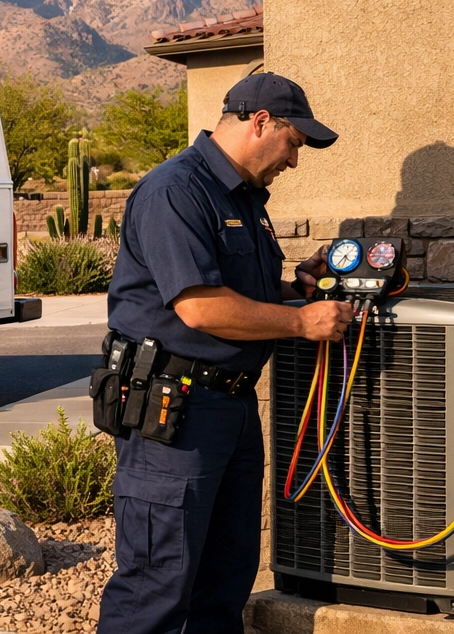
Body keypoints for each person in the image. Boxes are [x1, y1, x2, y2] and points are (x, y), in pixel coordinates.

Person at [97, 73, 352, 634]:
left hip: (231, 411)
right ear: (261, 122)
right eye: (294, 143)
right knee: (156, 587)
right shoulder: (175, 191)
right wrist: (301, 321)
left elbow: (239, 294)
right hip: (176, 415)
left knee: (224, 582)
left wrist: (295, 289)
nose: (293, 159)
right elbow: (200, 308)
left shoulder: (243, 199)